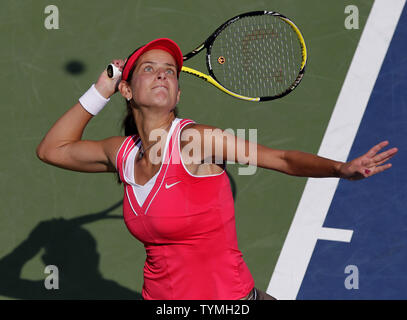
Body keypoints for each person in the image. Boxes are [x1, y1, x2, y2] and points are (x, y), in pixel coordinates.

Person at [36, 38, 398, 300]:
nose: (162, 75)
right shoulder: (124, 155)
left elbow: (281, 159)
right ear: (127, 90)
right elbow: (52, 150)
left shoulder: (197, 141)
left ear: (177, 95)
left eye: (170, 72)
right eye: (149, 69)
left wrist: (340, 168)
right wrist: (101, 89)